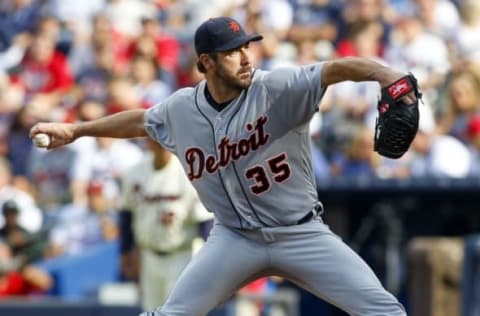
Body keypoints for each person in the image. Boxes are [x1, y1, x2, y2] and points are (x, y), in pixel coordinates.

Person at [29, 16, 418, 316]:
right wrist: (77, 130)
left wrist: (387, 75)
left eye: (247, 46)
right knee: (173, 313)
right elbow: (140, 120)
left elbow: (334, 69)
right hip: (234, 239)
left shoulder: (277, 88)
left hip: (300, 234)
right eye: (233, 51)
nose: (246, 57)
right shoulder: (181, 109)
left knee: (383, 310)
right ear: (206, 62)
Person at [119, 137, 213, 311]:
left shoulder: (187, 172)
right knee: (151, 310)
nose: (159, 143)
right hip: (149, 255)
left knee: (180, 311)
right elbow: (126, 213)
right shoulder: (135, 172)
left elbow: (206, 224)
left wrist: (209, 264)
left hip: (183, 254)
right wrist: (125, 251)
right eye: (153, 138)